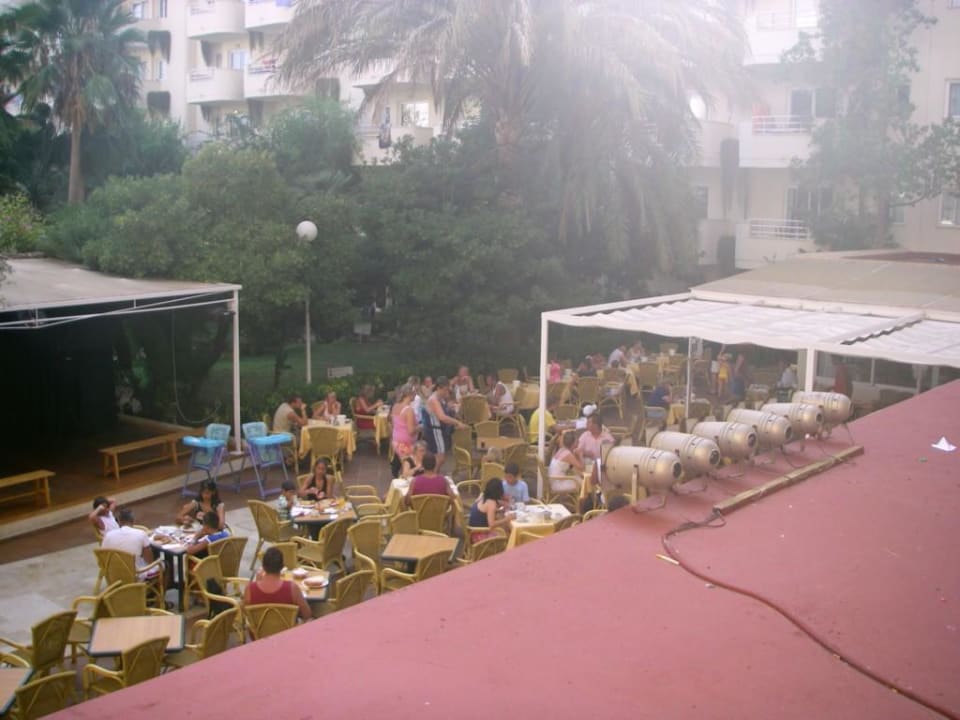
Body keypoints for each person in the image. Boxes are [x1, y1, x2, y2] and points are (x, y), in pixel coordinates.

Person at [243, 546, 311, 622]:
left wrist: (256, 582)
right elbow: (307, 614)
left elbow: (244, 613)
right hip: (288, 633)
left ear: (263, 567)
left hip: (259, 633)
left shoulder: (250, 589)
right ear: (282, 567)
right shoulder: (292, 588)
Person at [101, 508, 160, 580]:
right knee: (164, 564)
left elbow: (103, 556)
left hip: (114, 574)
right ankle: (157, 590)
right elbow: (149, 561)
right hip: (135, 574)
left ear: (118, 521)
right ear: (133, 520)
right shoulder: (141, 534)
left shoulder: (108, 535)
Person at [422, 376, 467, 468]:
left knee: (439, 457)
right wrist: (457, 423)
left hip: (439, 430)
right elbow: (442, 417)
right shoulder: (434, 399)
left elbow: (445, 411)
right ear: (439, 388)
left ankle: (433, 475)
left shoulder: (440, 398)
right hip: (434, 430)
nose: (447, 392)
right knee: (440, 457)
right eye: (445, 390)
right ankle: (431, 476)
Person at [391, 385, 418, 461]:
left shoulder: (395, 406)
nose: (415, 395)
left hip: (396, 441)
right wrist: (420, 427)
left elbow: (394, 424)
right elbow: (411, 430)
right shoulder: (409, 410)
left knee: (405, 464)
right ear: (410, 394)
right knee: (410, 465)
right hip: (406, 444)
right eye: (414, 393)